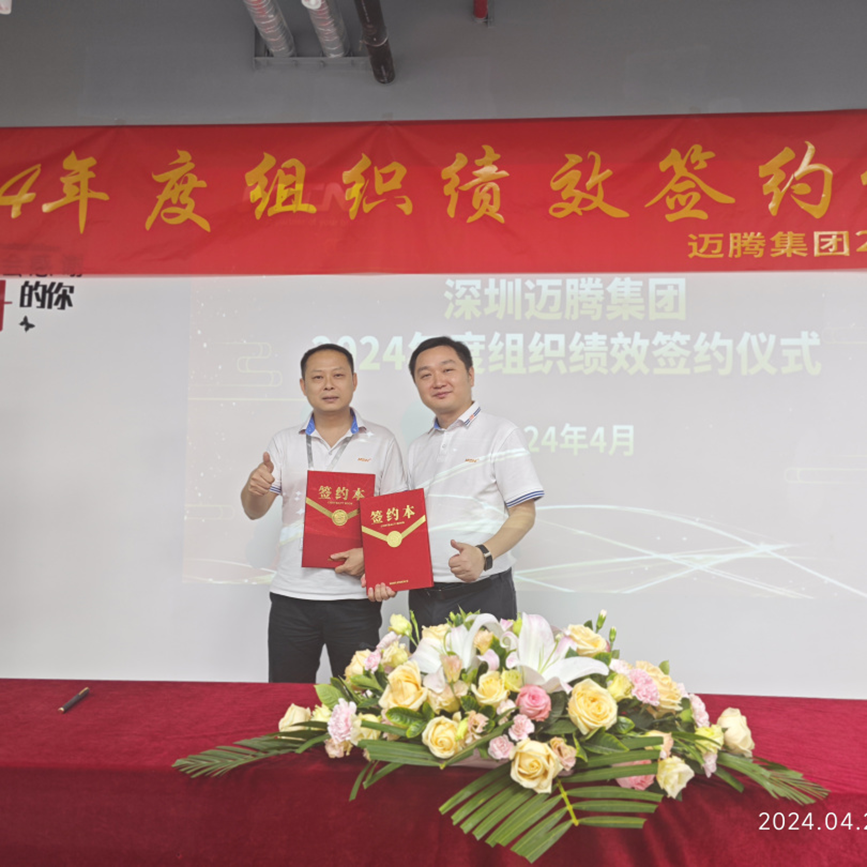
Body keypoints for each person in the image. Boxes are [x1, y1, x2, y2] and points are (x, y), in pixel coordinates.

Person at [242, 343, 406, 683]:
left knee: (361, 698)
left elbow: (397, 521)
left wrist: (371, 556)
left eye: (338, 375)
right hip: (292, 596)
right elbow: (254, 511)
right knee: (285, 696)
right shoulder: (285, 442)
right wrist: (253, 488)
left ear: (354, 381)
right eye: (317, 377)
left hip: (355, 599)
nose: (328, 385)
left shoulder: (382, 441)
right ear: (303, 386)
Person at [365, 336, 543, 629]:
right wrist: (386, 570)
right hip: (423, 594)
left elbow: (524, 513)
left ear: (470, 375)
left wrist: (483, 554)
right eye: (425, 375)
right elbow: (408, 524)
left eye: (447, 370)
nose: (438, 381)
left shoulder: (501, 433)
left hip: (483, 591)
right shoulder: (419, 447)